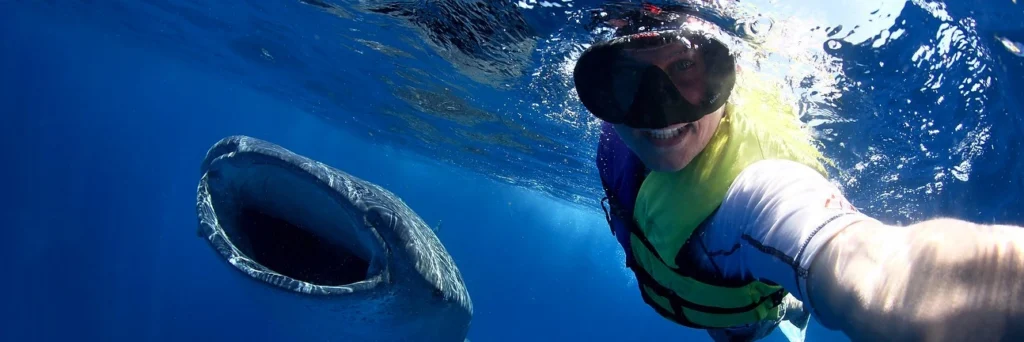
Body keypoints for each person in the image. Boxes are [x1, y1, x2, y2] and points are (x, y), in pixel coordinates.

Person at [573, 2, 1024, 342]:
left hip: (738, 317)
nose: (658, 110)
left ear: (720, 78)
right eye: (629, 79)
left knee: (739, 332)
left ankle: (789, 308)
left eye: (686, 67)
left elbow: (876, 265)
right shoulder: (617, 125)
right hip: (681, 282)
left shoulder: (759, 191)